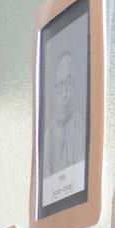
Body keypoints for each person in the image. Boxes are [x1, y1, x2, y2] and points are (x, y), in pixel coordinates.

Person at [45, 50, 84, 178]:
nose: (65, 95)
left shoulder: (78, 123)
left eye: (69, 84)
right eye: (61, 84)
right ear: (53, 89)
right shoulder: (48, 136)